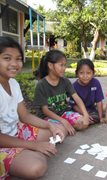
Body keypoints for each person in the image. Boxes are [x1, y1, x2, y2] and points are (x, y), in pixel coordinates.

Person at [0, 36, 65, 179]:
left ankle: (25, 152)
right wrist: (33, 146)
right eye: (7, 58)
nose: (14, 63)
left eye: (18, 59)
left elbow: (25, 116)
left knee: (58, 130)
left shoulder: (13, 84)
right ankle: (26, 153)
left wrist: (50, 126)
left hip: (15, 132)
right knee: (37, 167)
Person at [33, 50, 90, 135]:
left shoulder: (65, 81)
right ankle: (64, 128)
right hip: (48, 117)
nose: (64, 68)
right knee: (61, 130)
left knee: (83, 123)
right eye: (61, 65)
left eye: (65, 65)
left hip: (64, 113)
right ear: (50, 65)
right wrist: (64, 121)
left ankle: (67, 127)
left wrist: (86, 115)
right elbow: (45, 110)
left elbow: (77, 98)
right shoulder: (41, 85)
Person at [72, 59, 104, 124]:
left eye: (88, 73)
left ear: (93, 73)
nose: (85, 76)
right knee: (82, 122)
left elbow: (99, 101)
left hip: (91, 109)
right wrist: (85, 114)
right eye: (81, 73)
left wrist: (101, 118)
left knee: (97, 116)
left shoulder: (96, 83)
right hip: (78, 110)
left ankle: (91, 118)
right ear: (77, 73)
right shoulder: (74, 86)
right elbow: (74, 105)